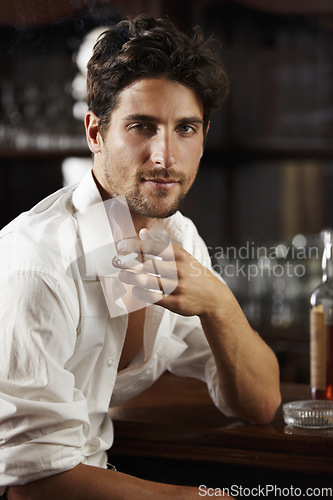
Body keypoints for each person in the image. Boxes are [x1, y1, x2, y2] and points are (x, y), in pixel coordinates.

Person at [0, 14, 281, 500]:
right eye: (141, 127)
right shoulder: (37, 264)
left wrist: (220, 305)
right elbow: (31, 485)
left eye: (185, 128)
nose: (164, 155)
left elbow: (258, 404)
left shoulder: (177, 239)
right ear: (95, 134)